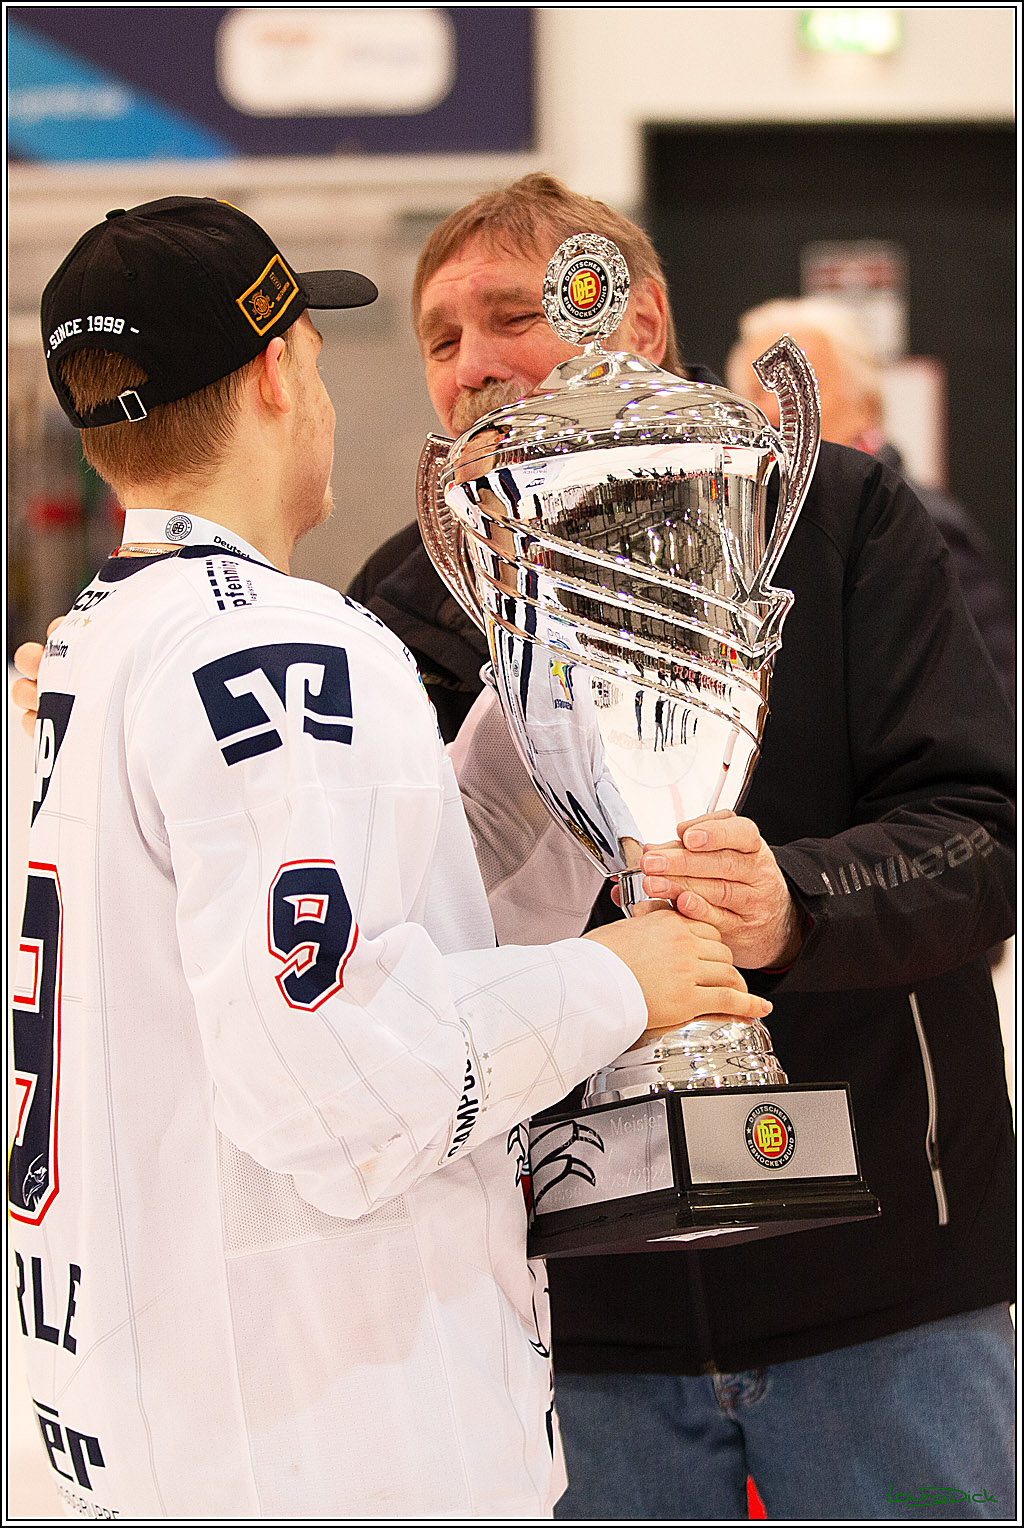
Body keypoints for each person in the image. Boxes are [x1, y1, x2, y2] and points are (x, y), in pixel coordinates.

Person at [8, 195, 772, 1520]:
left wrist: (564, 708)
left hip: (146, 1408)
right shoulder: (282, 648)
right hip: (320, 1427)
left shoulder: (79, 656)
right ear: (279, 373)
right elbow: (339, 1087)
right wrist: (621, 980)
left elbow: (400, 903)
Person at [343, 174, 1016, 1520]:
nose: (472, 363)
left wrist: (798, 904)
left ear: (634, 318)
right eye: (441, 338)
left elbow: (982, 839)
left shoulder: (835, 519)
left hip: (884, 1295)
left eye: (510, 316)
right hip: (573, 1319)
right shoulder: (410, 601)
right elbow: (375, 931)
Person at [725, 295, 1015, 705]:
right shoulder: (741, 538)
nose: (773, 409)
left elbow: (989, 699)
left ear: (867, 402)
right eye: (758, 390)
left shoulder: (924, 523)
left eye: (801, 385)